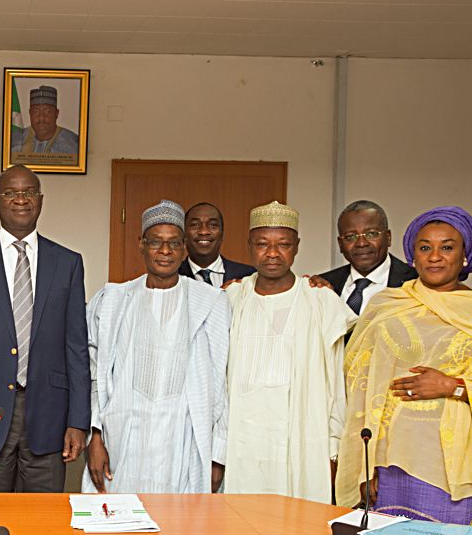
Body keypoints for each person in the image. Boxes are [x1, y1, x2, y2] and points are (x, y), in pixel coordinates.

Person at [336, 207, 472, 525]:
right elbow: (359, 389)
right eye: (425, 247)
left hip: (451, 468)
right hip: (389, 462)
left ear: (465, 256)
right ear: (412, 256)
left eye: (447, 247)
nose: (435, 256)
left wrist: (453, 386)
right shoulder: (387, 306)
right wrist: (367, 466)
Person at [0, 165, 90, 493]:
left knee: (43, 525)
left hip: (50, 416)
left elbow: (76, 346)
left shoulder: (67, 263)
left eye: (28, 192)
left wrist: (78, 421)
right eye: (11, 193)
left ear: (40, 200)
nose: (20, 199)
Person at [83, 200, 231, 494]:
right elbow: (95, 373)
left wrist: (217, 454)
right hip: (123, 438)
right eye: (156, 242)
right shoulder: (113, 300)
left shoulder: (210, 302)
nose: (165, 251)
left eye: (174, 243)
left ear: (185, 247)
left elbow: (221, 380)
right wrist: (95, 438)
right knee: (118, 530)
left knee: (181, 531)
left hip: (184, 440)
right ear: (141, 244)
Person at [223, 201, 356, 503]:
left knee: (300, 528)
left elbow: (336, 380)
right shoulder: (232, 297)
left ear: (296, 247)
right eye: (262, 244)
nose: (272, 253)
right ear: (249, 246)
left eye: (283, 244)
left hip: (304, 440)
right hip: (242, 440)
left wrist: (335, 445)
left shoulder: (320, 299)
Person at [317, 200, 417, 314]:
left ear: (388, 238)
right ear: (340, 244)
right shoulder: (324, 285)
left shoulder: (416, 281)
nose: (361, 243)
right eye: (350, 237)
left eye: (371, 234)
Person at [178, 202, 255, 286]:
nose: (204, 231)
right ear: (184, 234)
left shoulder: (249, 276)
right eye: (195, 225)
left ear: (222, 234)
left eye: (212, 225)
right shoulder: (172, 276)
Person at [10, 86, 80, 156]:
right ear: (30, 113)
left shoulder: (73, 144)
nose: (41, 118)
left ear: (56, 113)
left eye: (48, 112)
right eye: (36, 112)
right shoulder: (17, 139)